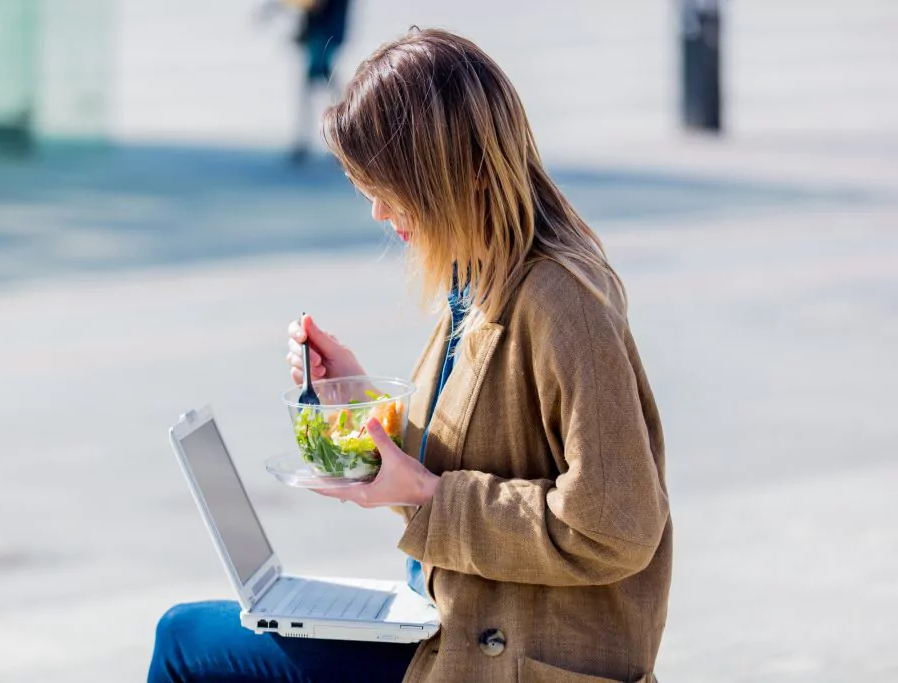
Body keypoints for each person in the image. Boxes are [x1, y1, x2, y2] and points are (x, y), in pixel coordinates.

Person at [149, 28, 672, 683]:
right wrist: (356, 396)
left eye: (391, 186)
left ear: (459, 172)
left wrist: (428, 495)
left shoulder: (560, 300)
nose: (376, 210)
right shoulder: (477, 281)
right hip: (448, 625)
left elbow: (617, 528)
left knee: (184, 644)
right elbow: (474, 458)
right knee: (199, 632)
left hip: (504, 661)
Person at [287, 0, 351, 165]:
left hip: (323, 34)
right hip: (326, 32)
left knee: (320, 85)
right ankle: (339, 140)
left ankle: (339, 141)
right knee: (325, 85)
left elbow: (314, 5)